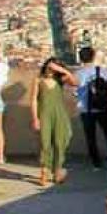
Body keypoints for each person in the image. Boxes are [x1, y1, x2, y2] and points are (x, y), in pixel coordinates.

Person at [30, 59, 76, 187]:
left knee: (60, 141)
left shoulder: (59, 80)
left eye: (53, 69)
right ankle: (44, 171)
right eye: (49, 68)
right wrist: (35, 118)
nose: (51, 71)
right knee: (45, 142)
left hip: (59, 114)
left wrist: (62, 70)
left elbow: (75, 82)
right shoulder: (38, 80)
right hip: (44, 114)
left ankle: (57, 170)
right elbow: (33, 100)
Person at [73, 46, 107, 169]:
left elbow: (75, 92)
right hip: (102, 107)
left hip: (86, 109)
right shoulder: (101, 70)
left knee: (91, 138)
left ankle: (96, 163)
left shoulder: (78, 74)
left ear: (81, 58)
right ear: (93, 56)